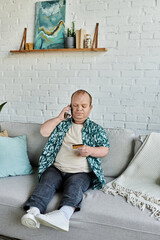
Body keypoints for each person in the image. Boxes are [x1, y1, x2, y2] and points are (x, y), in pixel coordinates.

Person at [21, 89, 110, 232]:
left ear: (90, 108)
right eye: (75, 105)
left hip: (81, 173)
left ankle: (63, 215)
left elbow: (105, 149)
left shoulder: (95, 129)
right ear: (70, 107)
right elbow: (44, 131)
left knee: (75, 187)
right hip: (56, 168)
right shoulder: (62, 124)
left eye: (83, 106)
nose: (79, 109)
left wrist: (91, 151)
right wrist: (58, 118)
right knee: (46, 183)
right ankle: (33, 213)